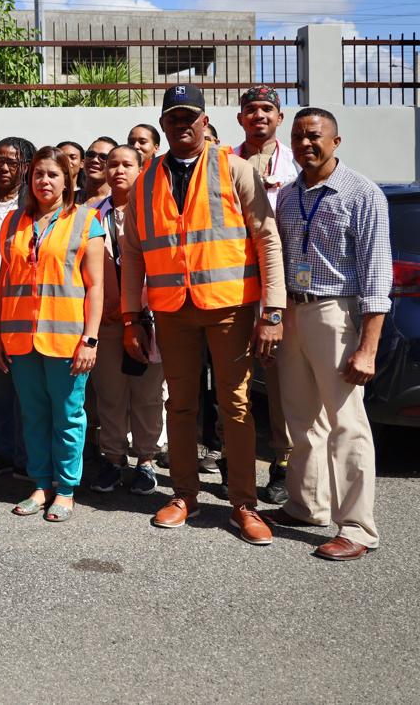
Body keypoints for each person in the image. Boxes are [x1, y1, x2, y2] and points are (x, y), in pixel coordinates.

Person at [122, 83, 285, 546]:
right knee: (182, 404)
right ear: (163, 124)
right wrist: (134, 315)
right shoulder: (147, 179)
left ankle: (243, 504)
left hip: (230, 308)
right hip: (172, 311)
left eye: (188, 116)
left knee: (235, 406)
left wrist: (272, 310)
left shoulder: (232, 168)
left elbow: (266, 238)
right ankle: (185, 496)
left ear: (205, 120)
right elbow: (133, 252)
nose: (181, 124)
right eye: (172, 117)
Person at [268, 108, 389, 561]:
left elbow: (378, 278)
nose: (305, 144)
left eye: (314, 136)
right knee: (302, 419)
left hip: (335, 313)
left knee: (347, 424)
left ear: (336, 141)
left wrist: (368, 348)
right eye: (298, 137)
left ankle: (358, 527)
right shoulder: (288, 195)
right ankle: (307, 505)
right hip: (295, 313)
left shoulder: (362, 194)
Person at [0, 146, 104, 522]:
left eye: (53, 174)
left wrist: (90, 338)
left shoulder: (86, 221)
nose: (44, 181)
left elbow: (96, 287)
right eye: (38, 174)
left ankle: (66, 490)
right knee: (34, 415)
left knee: (69, 416)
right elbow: (3, 284)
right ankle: (40, 486)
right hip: (20, 339)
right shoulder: (13, 223)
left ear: (67, 180)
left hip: (67, 339)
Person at [234, 85, 301, 505]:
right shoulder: (224, 161)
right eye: (251, 109)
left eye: (267, 109)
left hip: (283, 285)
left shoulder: (296, 164)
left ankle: (284, 462)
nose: (259, 115)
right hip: (234, 285)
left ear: (279, 118)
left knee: (280, 381)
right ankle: (230, 455)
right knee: (233, 378)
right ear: (240, 117)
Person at [88, 146, 164, 495]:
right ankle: (113, 458)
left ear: (141, 168)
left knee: (147, 394)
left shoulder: (155, 210)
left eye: (126, 164)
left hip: (149, 317)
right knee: (110, 393)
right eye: (112, 163)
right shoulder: (90, 213)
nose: (118, 170)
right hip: (107, 318)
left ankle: (145, 460)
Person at [0, 136, 34, 478]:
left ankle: (26, 456)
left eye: (11, 162)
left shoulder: (34, 205)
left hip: (23, 304)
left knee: (26, 386)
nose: (2, 167)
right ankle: (1, 451)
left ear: (26, 167)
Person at [81, 137, 117, 206]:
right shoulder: (67, 199)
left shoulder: (120, 203)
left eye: (103, 157)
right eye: (91, 154)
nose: (95, 160)